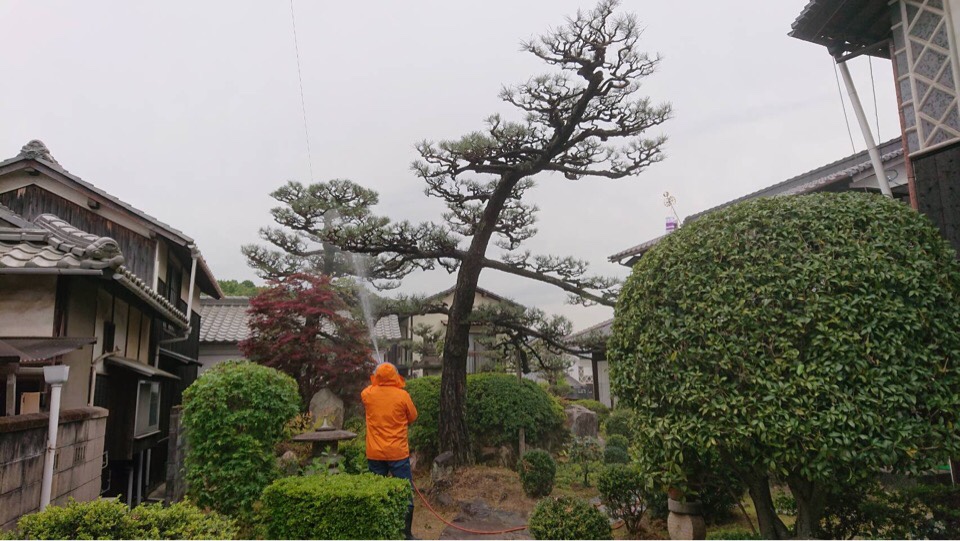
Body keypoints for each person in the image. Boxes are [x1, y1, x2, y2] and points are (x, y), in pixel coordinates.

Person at [361, 362, 419, 540]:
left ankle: (378, 532)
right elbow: (413, 417)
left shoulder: (368, 394)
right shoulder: (403, 396)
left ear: (377, 377)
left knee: (376, 492)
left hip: (375, 452)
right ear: (395, 376)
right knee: (405, 492)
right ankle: (406, 534)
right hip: (397, 452)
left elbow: (369, 389)